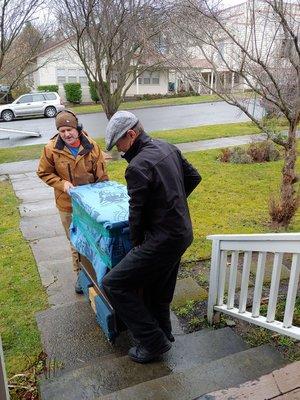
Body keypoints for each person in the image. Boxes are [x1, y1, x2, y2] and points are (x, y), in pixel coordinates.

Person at [103, 111, 201, 363]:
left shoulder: (137, 166)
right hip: (182, 234)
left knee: (114, 284)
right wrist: (171, 206)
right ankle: (165, 333)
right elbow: (193, 177)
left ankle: (153, 342)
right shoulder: (167, 147)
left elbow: (136, 214)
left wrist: (137, 243)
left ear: (132, 135)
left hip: (162, 239)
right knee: (160, 288)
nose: (120, 151)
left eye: (120, 144)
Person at [37, 110, 109, 294]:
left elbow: (102, 176)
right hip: (67, 205)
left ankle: (97, 271)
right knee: (76, 240)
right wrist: (62, 184)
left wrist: (103, 200)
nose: (66, 134)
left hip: (90, 205)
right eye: (62, 131)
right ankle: (80, 274)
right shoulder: (51, 149)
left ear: (77, 128)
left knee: (93, 238)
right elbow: (43, 173)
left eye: (69, 129)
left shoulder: (92, 146)